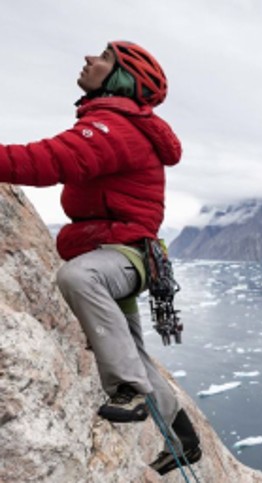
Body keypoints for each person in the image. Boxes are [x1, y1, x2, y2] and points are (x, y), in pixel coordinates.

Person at [0, 41, 200, 475]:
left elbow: (47, 161)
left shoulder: (115, 127)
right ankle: (183, 437)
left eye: (104, 58)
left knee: (79, 277)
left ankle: (127, 390)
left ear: (122, 78)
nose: (90, 60)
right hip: (127, 253)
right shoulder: (116, 124)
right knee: (131, 349)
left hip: (121, 256)